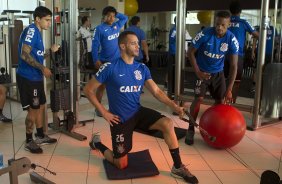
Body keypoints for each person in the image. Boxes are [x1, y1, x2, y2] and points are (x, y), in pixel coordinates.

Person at [84, 31, 199, 184]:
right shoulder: (109, 67)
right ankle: (97, 143)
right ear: (123, 46)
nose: (138, 46)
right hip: (120, 119)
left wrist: (173, 105)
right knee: (121, 164)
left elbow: (157, 91)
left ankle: (177, 166)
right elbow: (88, 90)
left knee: (168, 123)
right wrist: (104, 112)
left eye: (138, 43)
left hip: (137, 112)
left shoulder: (141, 68)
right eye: (133, 43)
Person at [186, 11, 239, 145]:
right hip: (203, 72)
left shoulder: (231, 39)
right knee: (198, 99)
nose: (219, 27)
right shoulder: (204, 34)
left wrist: (229, 88)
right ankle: (191, 129)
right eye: (217, 24)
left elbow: (234, 66)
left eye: (223, 25)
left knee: (220, 101)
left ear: (228, 25)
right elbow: (190, 52)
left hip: (218, 73)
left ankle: (215, 129)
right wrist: (197, 72)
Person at [17, 6, 59, 154]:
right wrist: (43, 68)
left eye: (50, 20)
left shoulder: (38, 32)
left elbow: (37, 56)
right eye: (47, 20)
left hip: (36, 77)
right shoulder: (32, 31)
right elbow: (24, 55)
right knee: (33, 111)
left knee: (41, 106)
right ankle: (29, 140)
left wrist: (49, 51)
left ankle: (40, 135)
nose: (49, 23)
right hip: (28, 77)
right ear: (37, 19)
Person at [91, 6, 128, 117]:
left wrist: (116, 13)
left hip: (117, 61)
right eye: (109, 16)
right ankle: (98, 108)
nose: (112, 18)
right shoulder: (99, 29)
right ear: (104, 17)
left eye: (113, 16)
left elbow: (125, 18)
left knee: (118, 85)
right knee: (101, 86)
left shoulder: (116, 26)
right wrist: (95, 59)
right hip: (104, 62)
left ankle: (117, 107)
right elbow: (94, 46)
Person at [224, 0, 259, 103]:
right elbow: (257, 35)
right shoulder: (243, 22)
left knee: (222, 79)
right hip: (237, 55)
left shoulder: (226, 21)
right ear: (240, 11)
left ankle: (222, 102)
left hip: (223, 54)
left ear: (230, 11)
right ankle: (231, 103)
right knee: (235, 80)